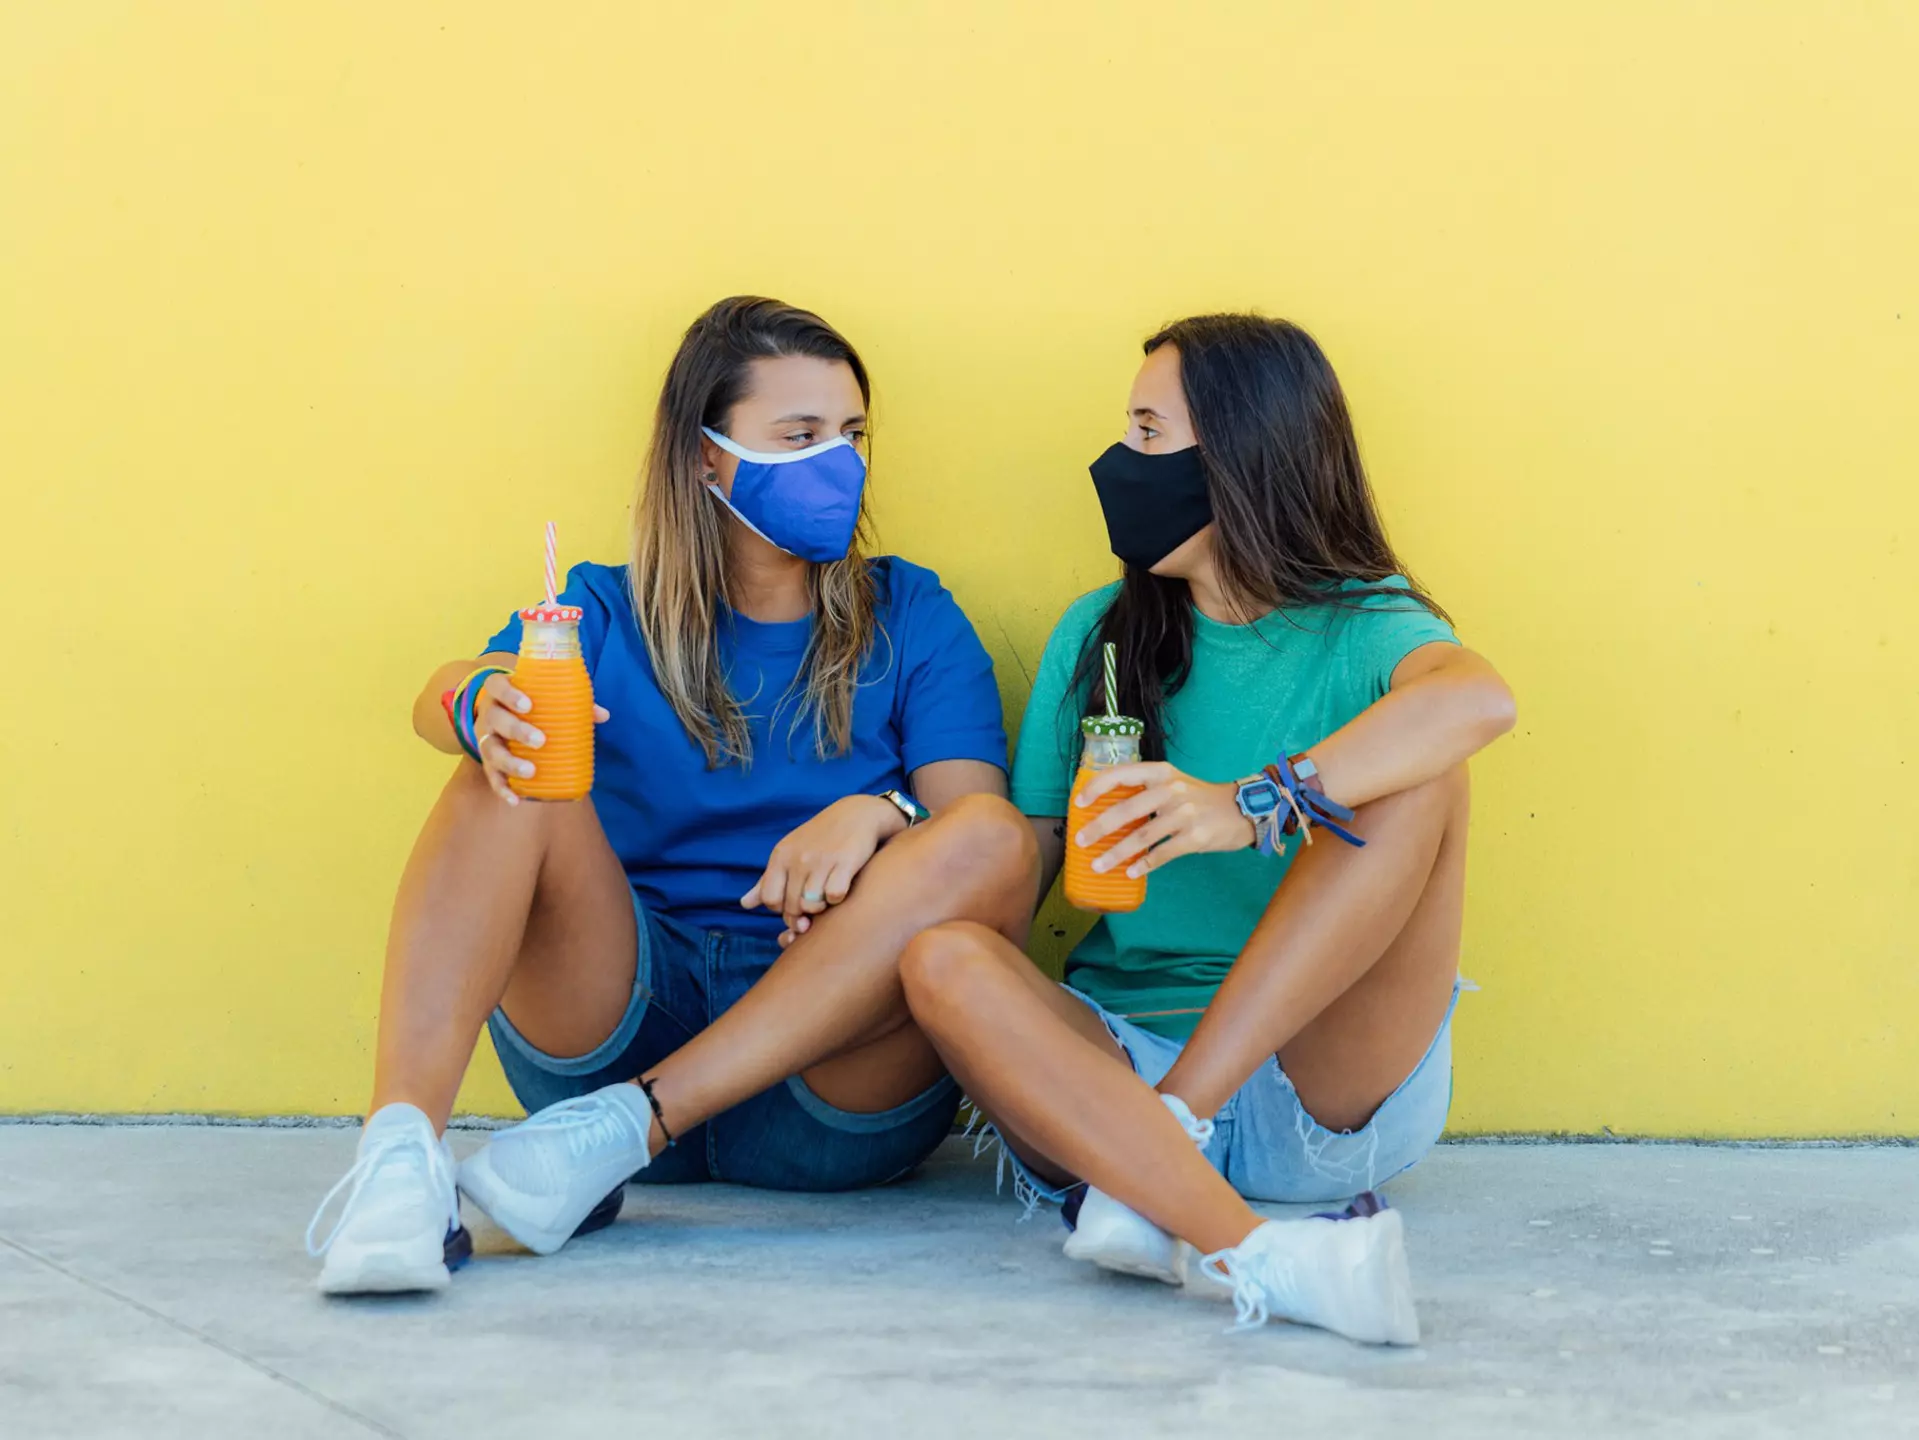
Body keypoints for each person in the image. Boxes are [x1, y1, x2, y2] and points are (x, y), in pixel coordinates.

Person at [306, 296, 1035, 1295]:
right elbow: (441, 697)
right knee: (507, 770)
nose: (840, 463)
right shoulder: (603, 609)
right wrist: (477, 699)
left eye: (851, 435)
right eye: (799, 436)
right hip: (621, 1009)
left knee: (989, 838)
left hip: (827, 1072)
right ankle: (397, 1168)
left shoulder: (909, 612)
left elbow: (979, 839)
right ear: (705, 457)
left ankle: (635, 1123)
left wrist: (884, 812)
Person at [897, 313, 1516, 1344]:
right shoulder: (1097, 636)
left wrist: (1248, 804)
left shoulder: (1366, 624)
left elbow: (1476, 704)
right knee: (941, 959)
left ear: (1241, 455)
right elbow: (1019, 868)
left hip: (1324, 1087)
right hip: (1111, 1070)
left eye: (1148, 434)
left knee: (1419, 773)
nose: (1118, 463)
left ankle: (1164, 1143)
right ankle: (1236, 1235)